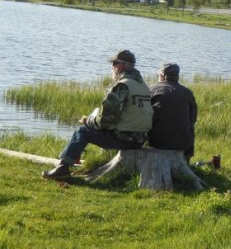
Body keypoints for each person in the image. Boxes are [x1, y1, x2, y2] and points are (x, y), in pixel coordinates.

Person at [42, 50, 153, 179]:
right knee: (89, 128)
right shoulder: (143, 86)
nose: (112, 67)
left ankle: (62, 168)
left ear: (122, 66)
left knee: (82, 131)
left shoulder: (122, 86)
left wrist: (88, 121)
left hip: (124, 138)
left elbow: (105, 121)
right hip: (140, 139)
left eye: (114, 63)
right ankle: (70, 162)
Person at [148, 63, 197, 163]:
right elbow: (193, 119)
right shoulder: (187, 93)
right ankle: (185, 163)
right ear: (177, 77)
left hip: (157, 143)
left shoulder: (151, 90)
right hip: (184, 145)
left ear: (162, 76)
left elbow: (143, 117)